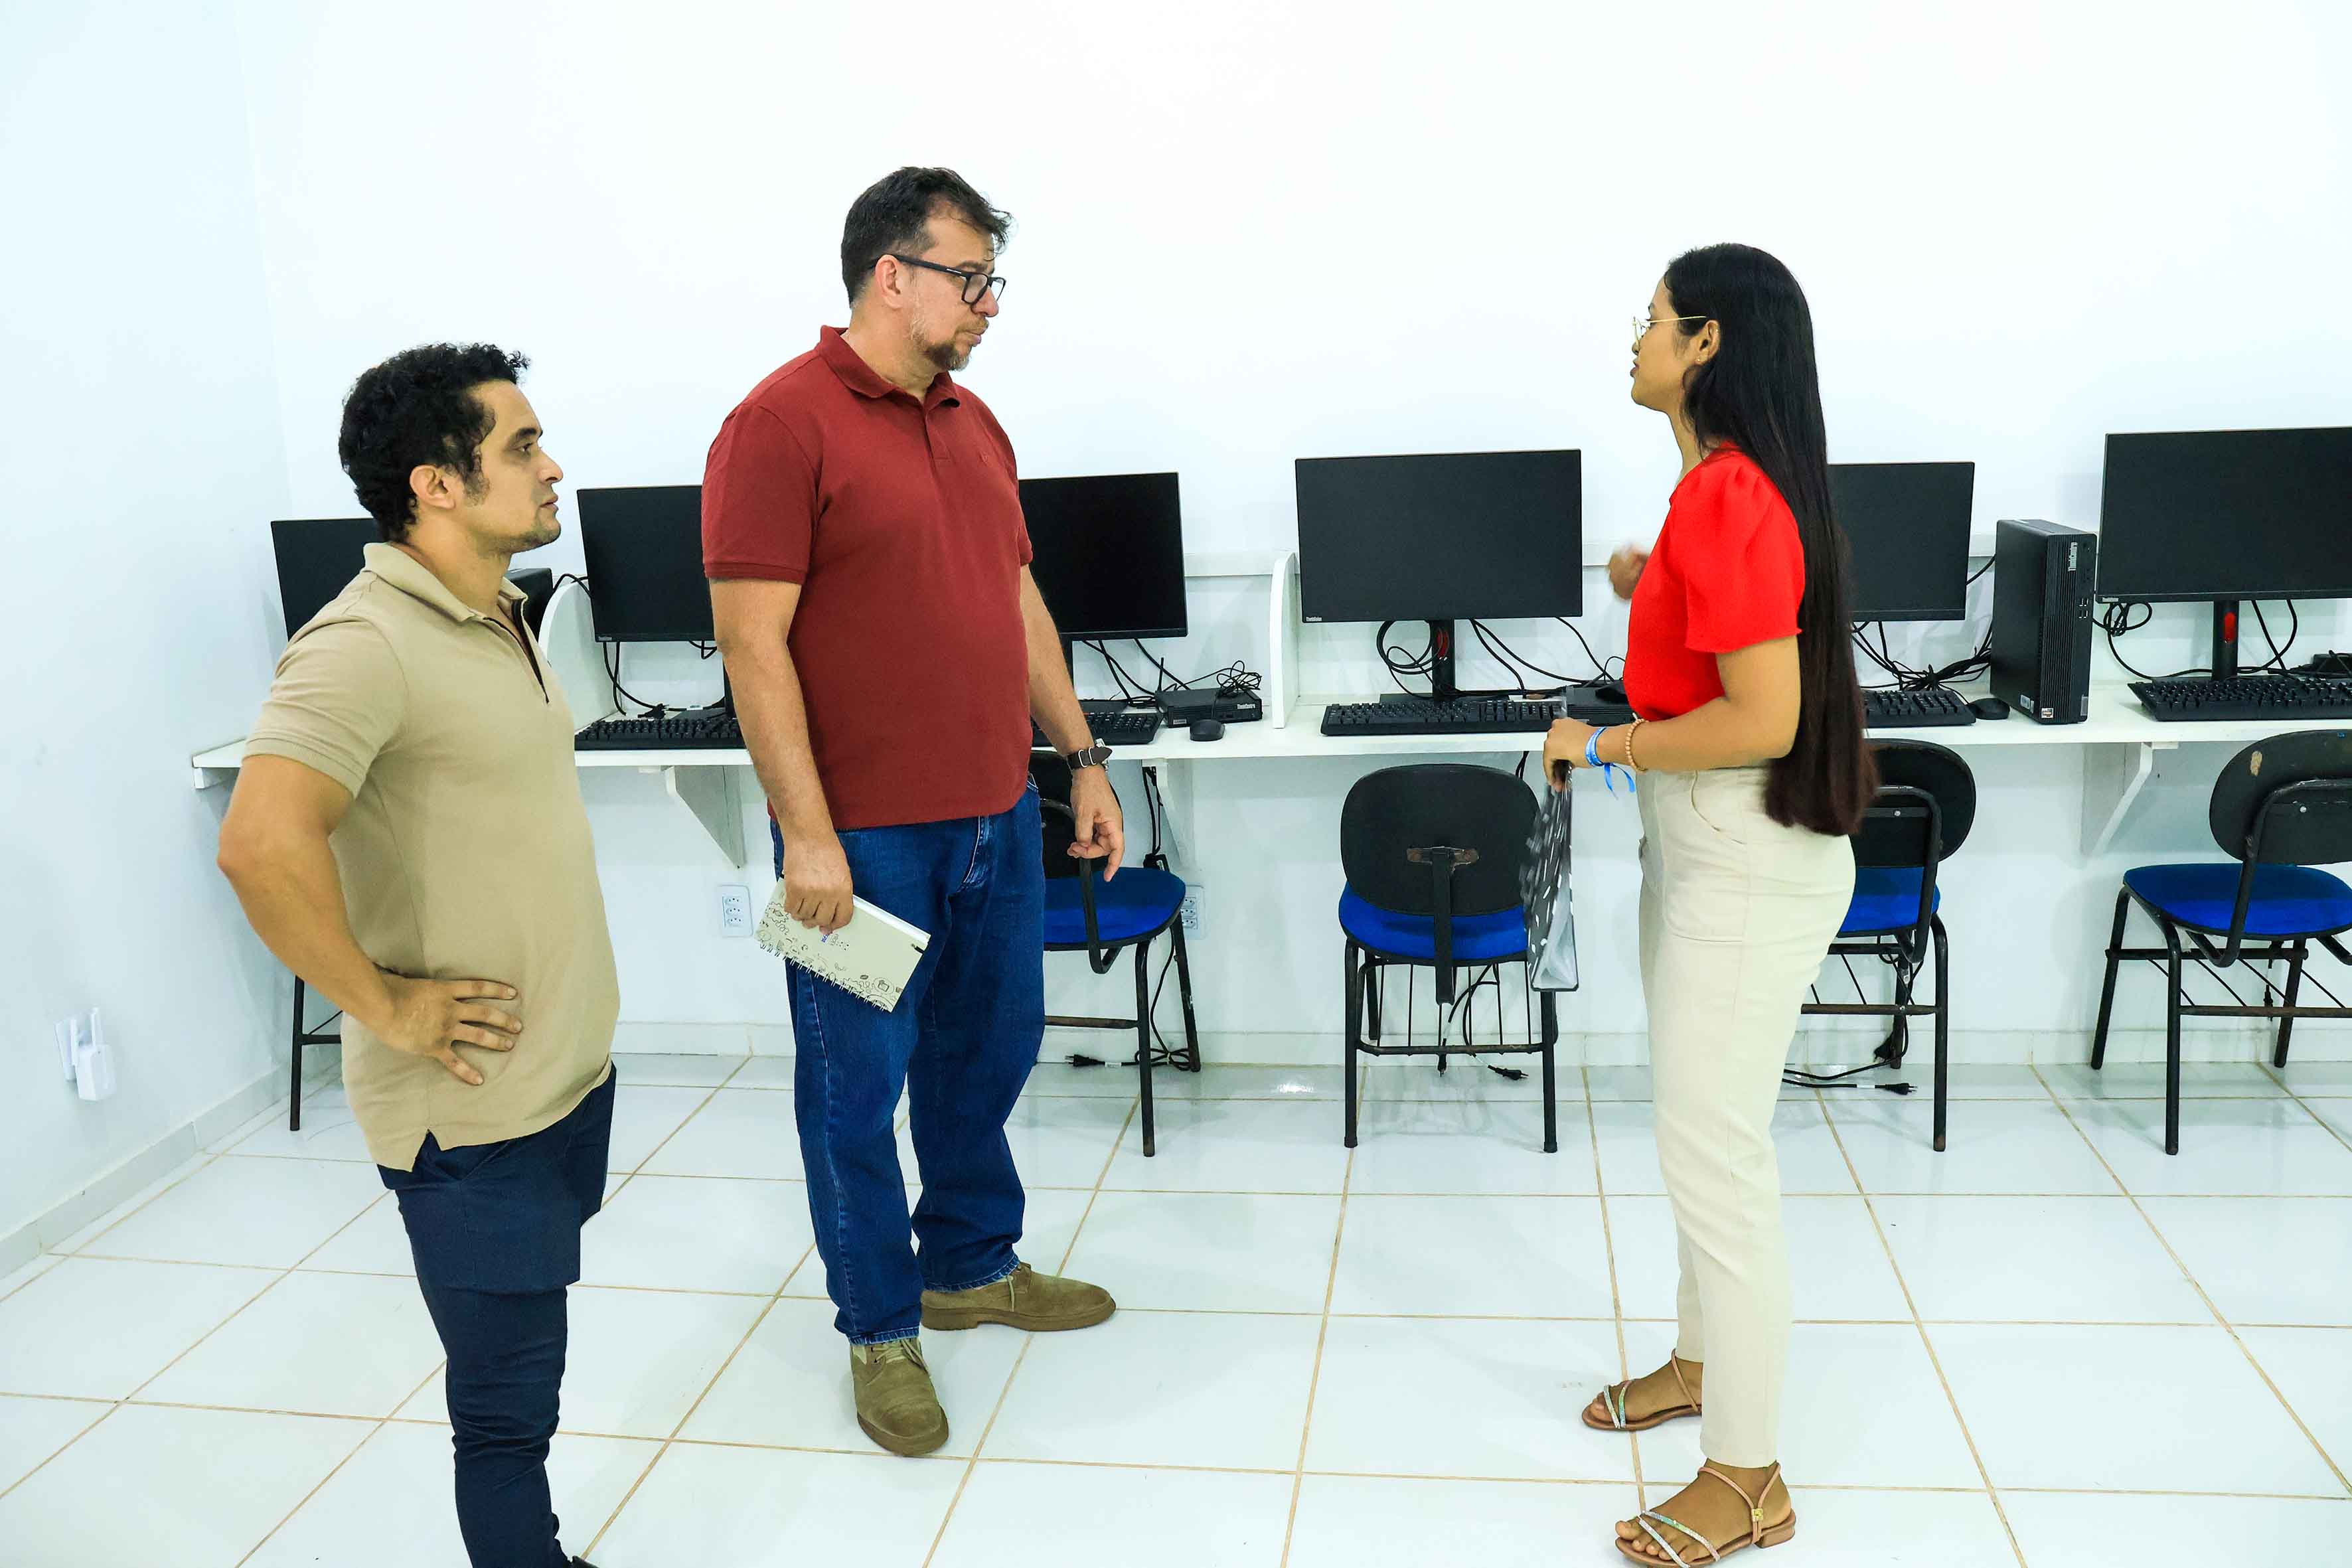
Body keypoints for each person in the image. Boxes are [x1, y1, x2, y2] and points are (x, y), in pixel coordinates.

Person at [701, 167, 1121, 1458]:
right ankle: (881, 1328)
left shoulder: (974, 422)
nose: (989, 303)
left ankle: (971, 1265)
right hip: (862, 843)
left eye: (993, 279)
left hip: (995, 815)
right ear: (893, 273)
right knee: (851, 1090)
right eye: (970, 276)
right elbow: (750, 645)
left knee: (983, 1055)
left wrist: (1082, 754)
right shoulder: (777, 425)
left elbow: (1017, 602)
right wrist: (807, 836)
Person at [217, 345, 613, 1568]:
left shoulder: (498, 609)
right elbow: (259, 842)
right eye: (520, 448)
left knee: (527, 1382)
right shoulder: (363, 641)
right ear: (435, 484)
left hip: (556, 1083)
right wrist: (381, 1006)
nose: (553, 469)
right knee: (504, 1419)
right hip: (468, 1121)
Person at [1545, 244, 1873, 1565]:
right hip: (1701, 849)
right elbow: (1721, 644)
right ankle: (1698, 1360)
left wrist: (1600, 744)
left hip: (1741, 857)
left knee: (1714, 1158)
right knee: (1695, 1135)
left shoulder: (1730, 495)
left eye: (1651, 322)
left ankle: (1748, 1475)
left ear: (1705, 347)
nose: (1632, 339)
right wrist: (1651, 590)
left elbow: (1761, 715)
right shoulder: (1710, 492)